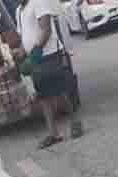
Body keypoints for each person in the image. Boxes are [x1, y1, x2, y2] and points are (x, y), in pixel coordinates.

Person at [15, 0, 83, 149]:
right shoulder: (19, 10)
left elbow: (46, 30)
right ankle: (54, 134)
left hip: (49, 54)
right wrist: (20, 53)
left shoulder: (37, 2)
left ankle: (75, 123)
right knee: (43, 96)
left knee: (59, 91)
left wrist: (33, 55)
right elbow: (25, 36)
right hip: (35, 57)